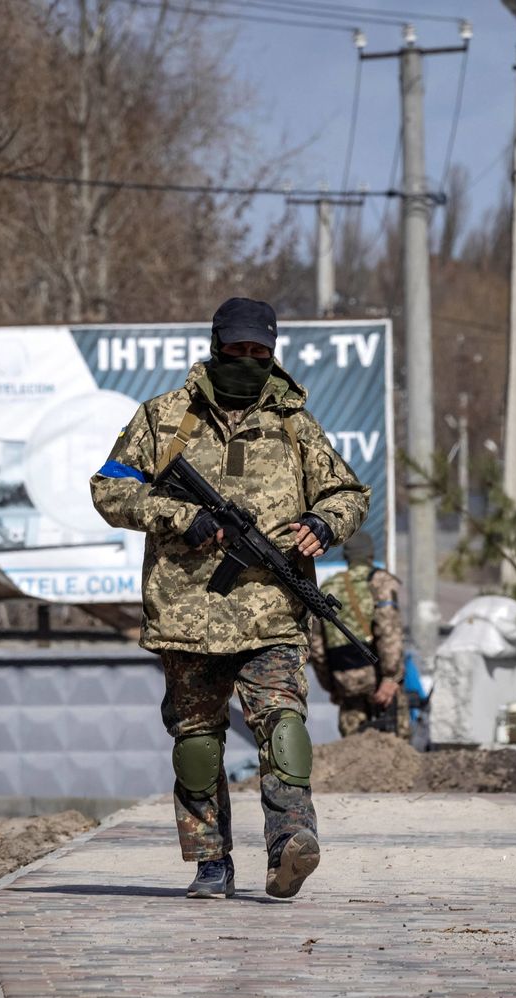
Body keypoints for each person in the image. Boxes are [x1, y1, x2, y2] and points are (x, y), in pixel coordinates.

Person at [91, 297, 370, 900]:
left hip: (272, 613)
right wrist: (175, 515)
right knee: (197, 745)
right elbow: (110, 490)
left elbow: (348, 491)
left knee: (284, 730)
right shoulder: (164, 418)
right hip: (186, 618)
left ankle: (289, 845)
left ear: (273, 353)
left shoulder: (295, 423)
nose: (248, 361)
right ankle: (211, 863)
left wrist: (325, 524)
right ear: (216, 346)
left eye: (259, 352)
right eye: (237, 351)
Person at [307, 531, 407, 738]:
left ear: (347, 557)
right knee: (395, 749)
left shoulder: (329, 587)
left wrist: (331, 686)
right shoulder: (380, 582)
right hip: (378, 677)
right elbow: (389, 631)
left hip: (345, 680)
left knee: (353, 749)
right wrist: (391, 676)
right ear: (370, 555)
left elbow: (316, 646)